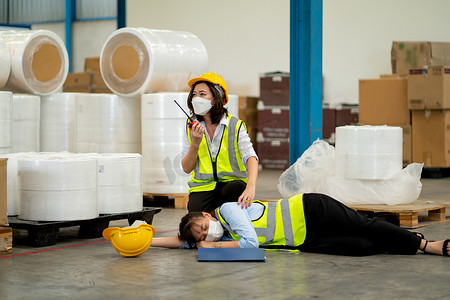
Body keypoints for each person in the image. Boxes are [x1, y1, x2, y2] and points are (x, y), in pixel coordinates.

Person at [151, 193, 450, 257]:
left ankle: (426, 244)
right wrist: (146, 240)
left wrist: (210, 245)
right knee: (363, 247)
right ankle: (404, 239)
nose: (206, 235)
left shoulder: (228, 211)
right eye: (201, 236)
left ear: (206, 217)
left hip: (309, 211)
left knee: (364, 225)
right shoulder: (217, 238)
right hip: (305, 242)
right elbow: (182, 243)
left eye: (203, 228)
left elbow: (250, 245)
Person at [181, 72, 259, 213]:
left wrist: (251, 187)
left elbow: (251, 157)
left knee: (235, 189)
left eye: (202, 94)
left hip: (230, 186)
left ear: (216, 98)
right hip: (203, 188)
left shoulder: (235, 125)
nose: (196, 98)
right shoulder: (191, 126)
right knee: (196, 223)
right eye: (194, 94)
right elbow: (186, 168)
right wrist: (195, 143)